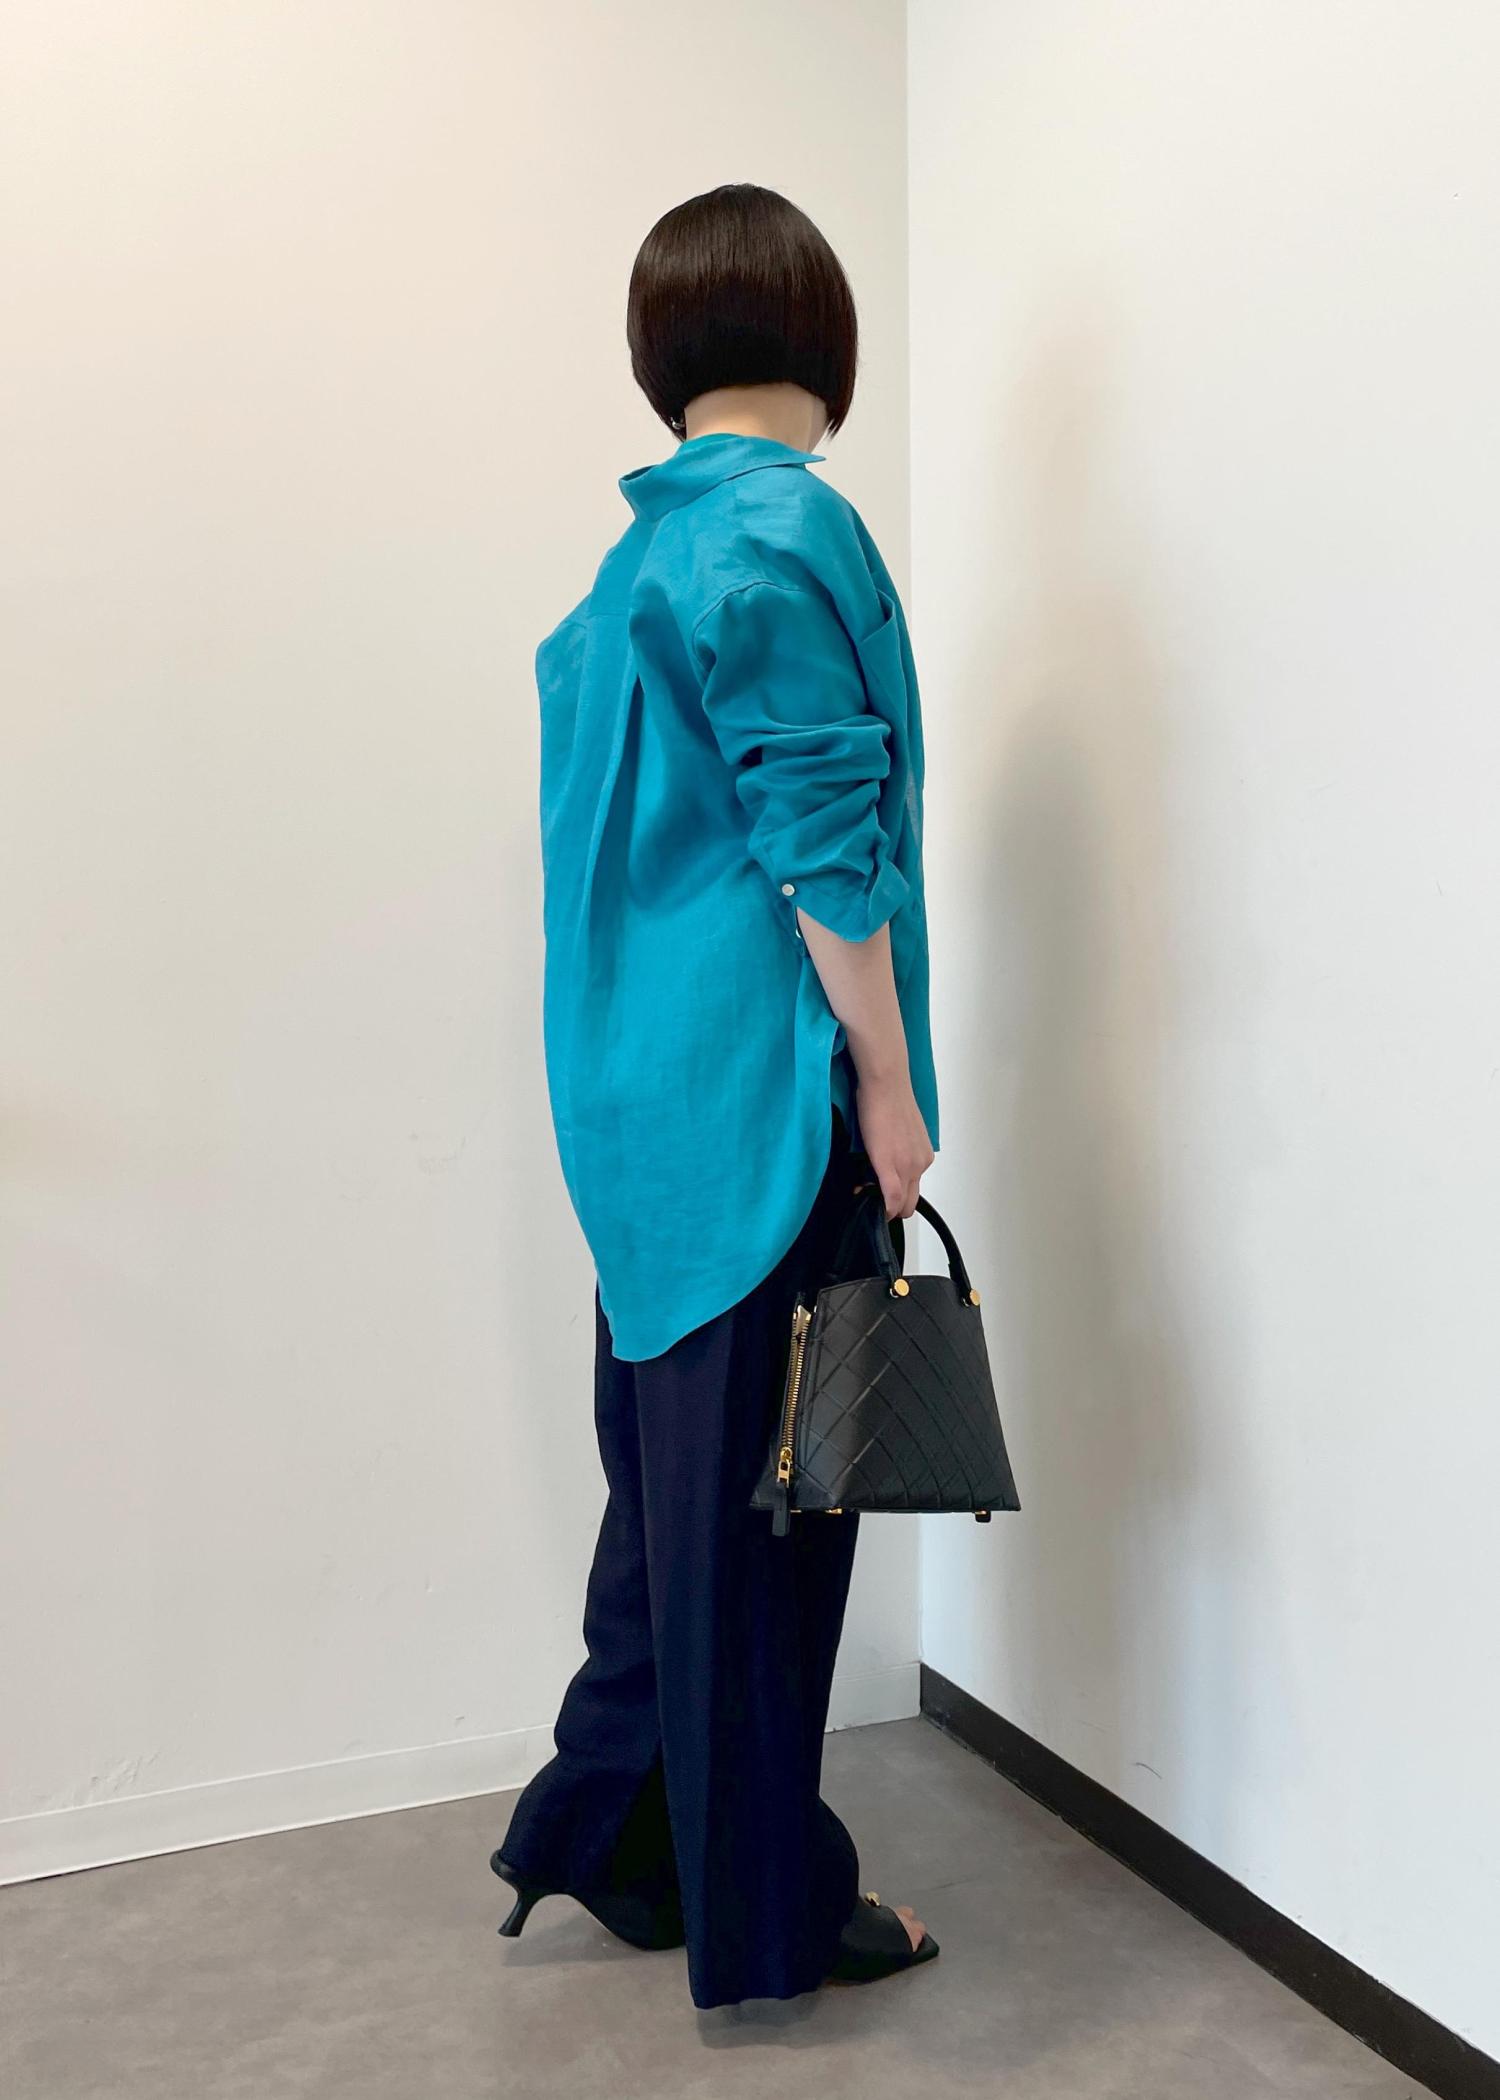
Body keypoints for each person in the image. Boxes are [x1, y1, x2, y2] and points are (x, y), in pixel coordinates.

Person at [490, 182, 941, 2010]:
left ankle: (611, 1833)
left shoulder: (620, 581)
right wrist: (890, 1089)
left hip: (637, 1129)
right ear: (824, 336)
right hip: (765, 1120)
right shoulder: (780, 531)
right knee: (768, 1543)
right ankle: (773, 1914)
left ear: (660, 357)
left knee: (667, 1522)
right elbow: (822, 843)